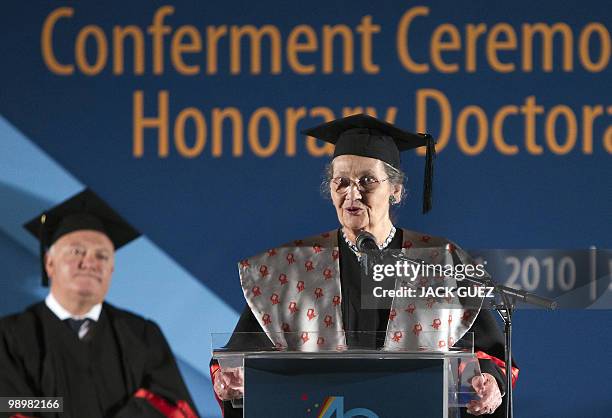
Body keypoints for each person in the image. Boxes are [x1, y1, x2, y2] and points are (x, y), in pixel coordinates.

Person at [210, 114, 518, 417]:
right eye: (341, 182)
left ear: (395, 189)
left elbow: (489, 357)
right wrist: (232, 380)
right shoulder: (289, 268)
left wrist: (489, 381)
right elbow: (239, 357)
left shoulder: (441, 261)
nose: (352, 194)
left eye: (367, 181)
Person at [0, 189, 198, 418]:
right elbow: (8, 405)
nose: (90, 263)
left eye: (102, 256)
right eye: (77, 251)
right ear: (50, 263)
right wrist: (54, 405)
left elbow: (172, 405)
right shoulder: (9, 336)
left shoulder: (142, 334)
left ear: (111, 269)